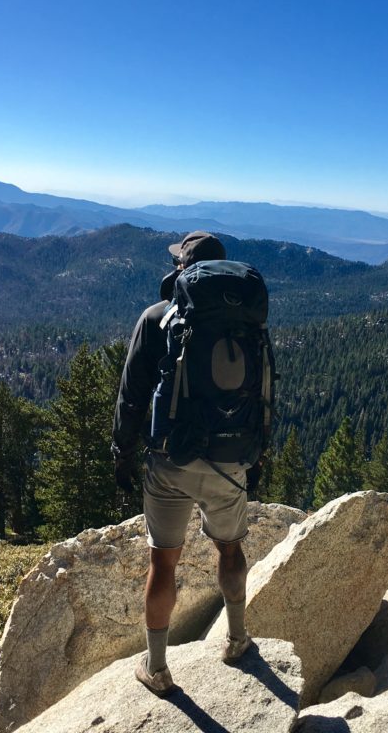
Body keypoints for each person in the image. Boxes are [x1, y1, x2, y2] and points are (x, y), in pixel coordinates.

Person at [111, 230, 258, 697]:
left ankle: (157, 668)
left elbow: (131, 396)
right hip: (230, 459)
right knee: (231, 550)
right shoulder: (247, 323)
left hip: (170, 461)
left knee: (164, 561)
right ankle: (236, 639)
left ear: (182, 269)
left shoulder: (157, 318)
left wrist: (122, 452)